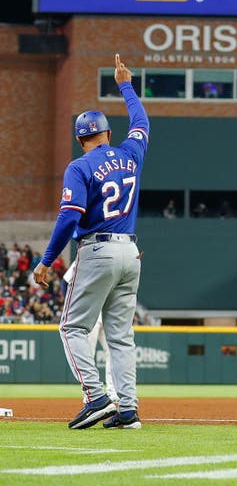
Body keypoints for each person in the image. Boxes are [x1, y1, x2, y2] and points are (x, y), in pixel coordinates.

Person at [33, 53, 149, 430]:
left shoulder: (79, 166)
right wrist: (126, 85)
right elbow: (142, 123)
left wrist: (47, 260)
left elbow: (70, 216)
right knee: (120, 336)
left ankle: (97, 397)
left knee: (72, 328)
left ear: (80, 138)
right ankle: (127, 409)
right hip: (131, 251)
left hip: (97, 249)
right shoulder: (131, 154)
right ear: (107, 133)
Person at [63, 261, 116, 403]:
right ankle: (92, 394)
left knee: (112, 352)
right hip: (89, 314)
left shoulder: (114, 255)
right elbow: (66, 280)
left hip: (108, 314)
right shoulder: (86, 254)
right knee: (88, 354)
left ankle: (112, 391)